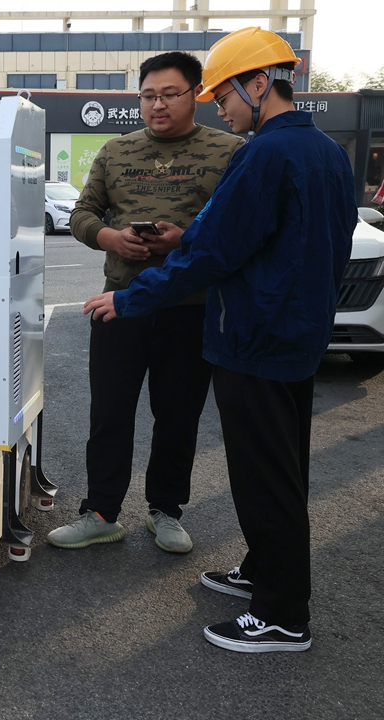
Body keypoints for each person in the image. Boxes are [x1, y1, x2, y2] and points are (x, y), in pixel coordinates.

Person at [83, 27, 356, 652]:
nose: (221, 107)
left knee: (266, 478)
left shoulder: (262, 154)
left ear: (259, 83)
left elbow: (212, 253)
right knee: (282, 467)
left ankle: (283, 614)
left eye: (223, 95)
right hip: (296, 334)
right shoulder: (327, 152)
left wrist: (129, 298)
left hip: (255, 337)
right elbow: (330, 247)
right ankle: (263, 570)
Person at [47, 52, 243, 554]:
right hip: (120, 303)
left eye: (169, 94)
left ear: (195, 93)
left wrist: (182, 242)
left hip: (190, 307)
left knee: (177, 415)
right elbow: (81, 214)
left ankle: (167, 510)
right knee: (109, 412)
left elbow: (235, 230)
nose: (157, 104)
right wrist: (111, 237)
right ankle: (100, 512)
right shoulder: (116, 152)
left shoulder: (230, 151)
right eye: (148, 95)